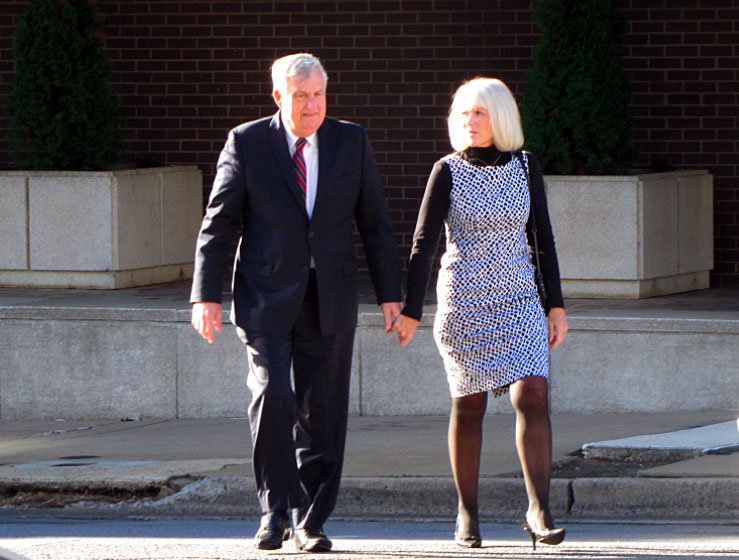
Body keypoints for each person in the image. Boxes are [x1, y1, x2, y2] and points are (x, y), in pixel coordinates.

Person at [190, 53, 402, 553]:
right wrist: (205, 294)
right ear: (278, 97)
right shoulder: (247, 142)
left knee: (322, 411)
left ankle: (312, 519)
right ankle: (274, 511)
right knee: (273, 397)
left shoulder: (351, 140)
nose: (312, 105)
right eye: (301, 96)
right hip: (264, 295)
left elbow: (375, 222)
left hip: (329, 294)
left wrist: (391, 293)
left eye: (319, 95)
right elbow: (219, 222)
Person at [392, 77, 569, 550]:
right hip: (465, 302)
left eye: (480, 113)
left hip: (519, 299)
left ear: (501, 117)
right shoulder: (446, 170)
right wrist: (411, 309)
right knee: (469, 404)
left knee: (532, 392)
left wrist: (555, 304)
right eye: (464, 114)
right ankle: (467, 513)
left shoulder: (525, 167)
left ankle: (539, 509)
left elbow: (542, 239)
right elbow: (423, 243)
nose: (470, 122)